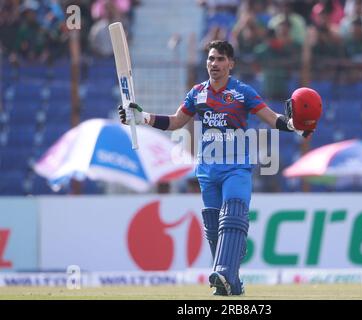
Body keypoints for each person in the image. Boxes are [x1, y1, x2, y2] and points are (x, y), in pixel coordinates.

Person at [118, 40, 322, 296]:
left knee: (233, 215)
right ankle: (232, 284)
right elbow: (176, 122)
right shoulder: (197, 93)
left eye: (220, 59)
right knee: (214, 229)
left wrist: (292, 125)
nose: (214, 64)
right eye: (211, 59)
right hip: (207, 169)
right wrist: (143, 117)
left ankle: (224, 272)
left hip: (237, 167)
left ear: (231, 64)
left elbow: (271, 117)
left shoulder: (242, 92)